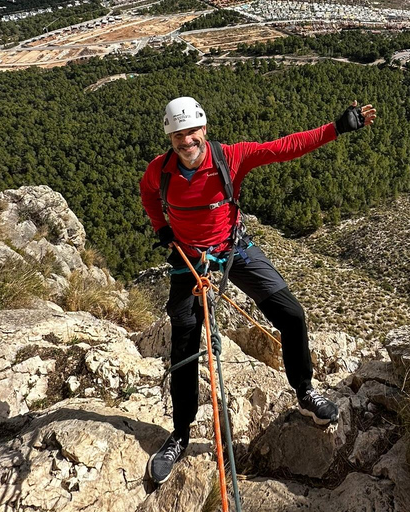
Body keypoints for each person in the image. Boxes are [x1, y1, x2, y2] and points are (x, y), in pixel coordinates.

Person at [140, 96, 376, 484]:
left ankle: (304, 392)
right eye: (179, 134)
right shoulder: (159, 171)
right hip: (190, 260)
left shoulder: (231, 157)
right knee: (184, 343)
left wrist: (336, 128)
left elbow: (285, 146)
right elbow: (149, 194)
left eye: (192, 132)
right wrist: (163, 231)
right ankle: (180, 434)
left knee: (291, 315)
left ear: (204, 129)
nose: (187, 141)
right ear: (170, 137)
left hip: (234, 249)